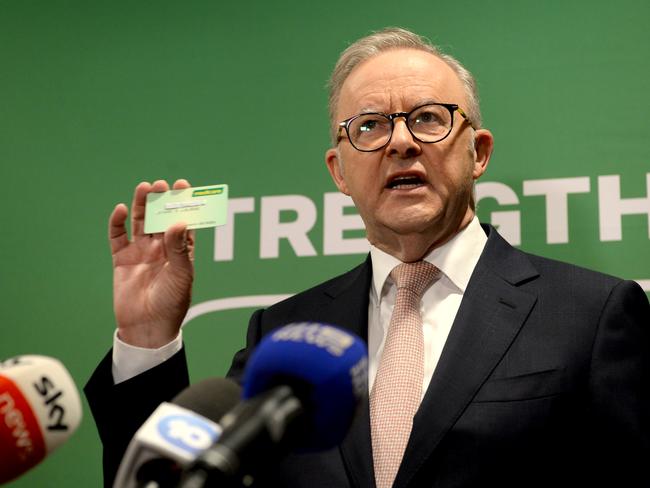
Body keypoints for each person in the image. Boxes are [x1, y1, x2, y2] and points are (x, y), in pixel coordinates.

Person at [85, 27, 650, 488]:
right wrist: (148, 336)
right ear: (339, 172)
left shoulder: (593, 314)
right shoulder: (285, 334)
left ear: (477, 152)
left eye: (428, 117)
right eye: (371, 126)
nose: (400, 142)